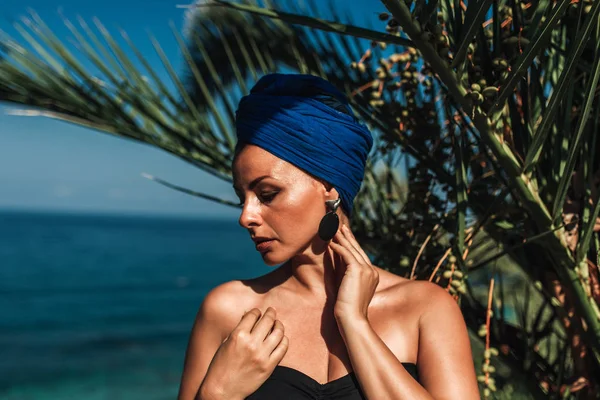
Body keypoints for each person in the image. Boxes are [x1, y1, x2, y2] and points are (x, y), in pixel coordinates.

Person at [177, 73, 480, 400]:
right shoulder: (229, 310)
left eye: (267, 194)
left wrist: (354, 323)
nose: (245, 216)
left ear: (329, 188)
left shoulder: (425, 308)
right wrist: (217, 393)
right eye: (243, 198)